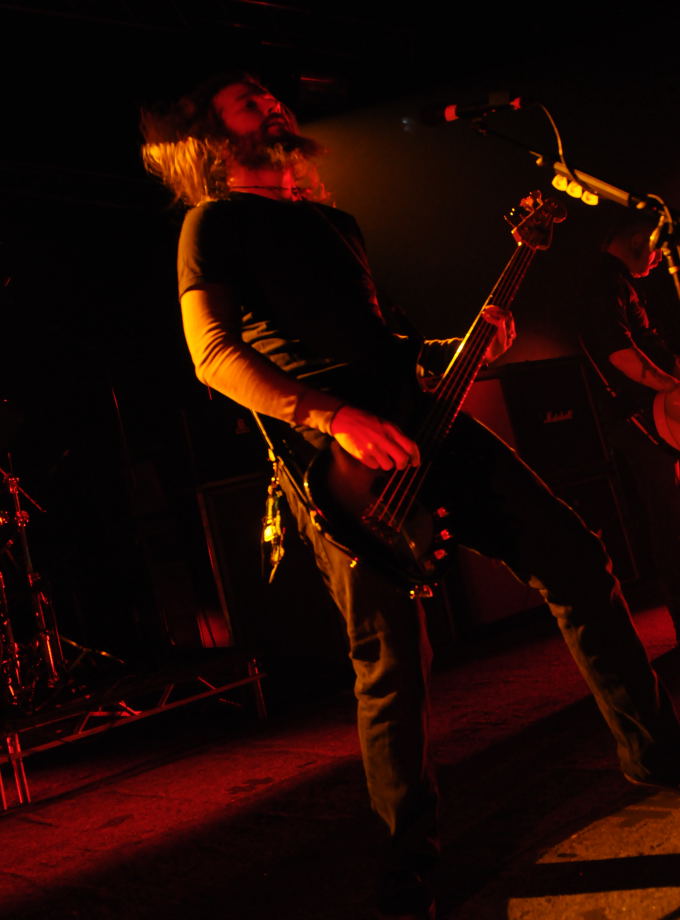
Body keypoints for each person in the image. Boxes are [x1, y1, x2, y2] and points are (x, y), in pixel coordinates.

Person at [141, 72, 680, 920]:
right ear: (214, 134)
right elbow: (211, 354)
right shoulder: (212, 224)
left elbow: (385, 345)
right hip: (341, 457)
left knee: (575, 557)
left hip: (424, 423)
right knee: (393, 665)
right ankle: (406, 871)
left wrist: (461, 345)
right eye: (250, 100)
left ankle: (656, 755)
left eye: (273, 95)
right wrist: (334, 417)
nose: (275, 104)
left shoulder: (335, 222)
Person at [579, 219, 680, 642]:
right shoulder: (604, 281)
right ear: (640, 239)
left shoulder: (617, 281)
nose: (657, 261)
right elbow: (617, 351)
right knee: (671, 520)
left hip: (654, 415)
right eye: (655, 251)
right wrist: (672, 388)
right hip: (643, 420)